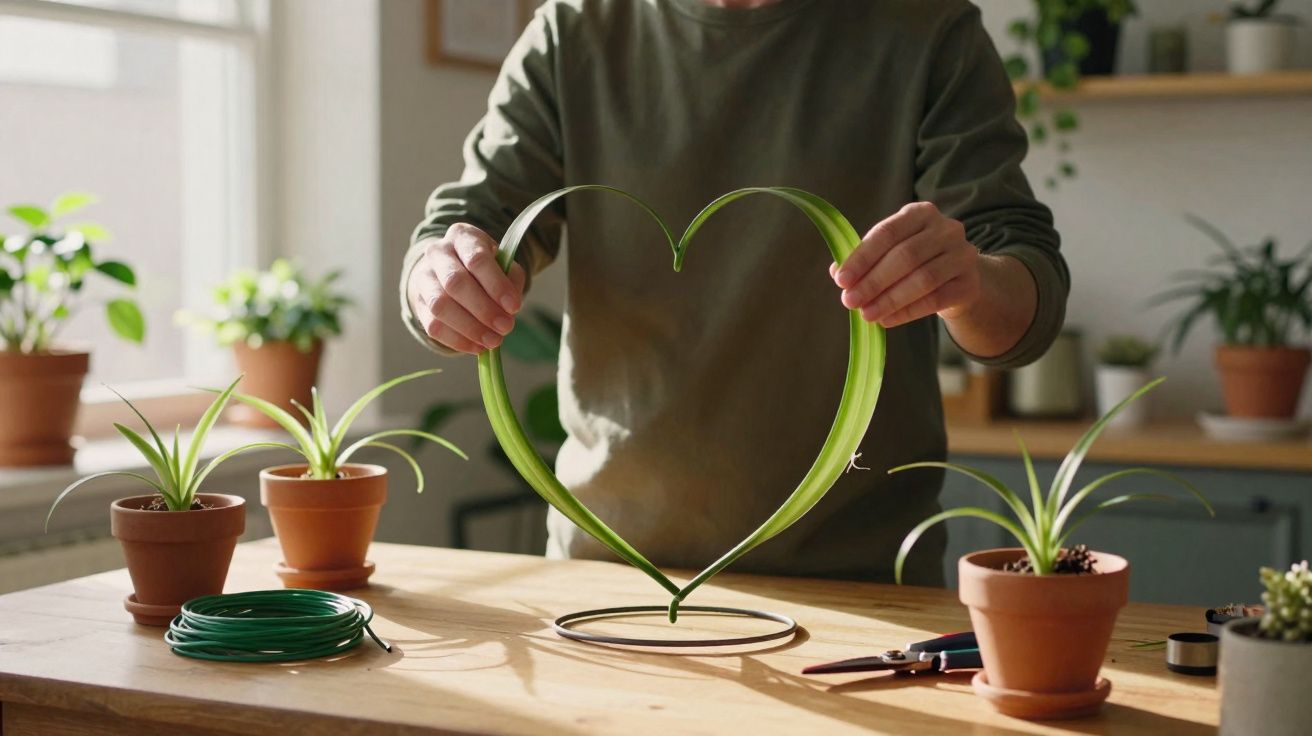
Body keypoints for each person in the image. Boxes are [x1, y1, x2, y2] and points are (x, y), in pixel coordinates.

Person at [401, 0, 1067, 586]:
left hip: (861, 586)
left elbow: (1020, 297)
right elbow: (468, 222)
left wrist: (970, 282)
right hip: (606, 579)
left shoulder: (928, 29)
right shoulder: (571, 31)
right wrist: (439, 277)